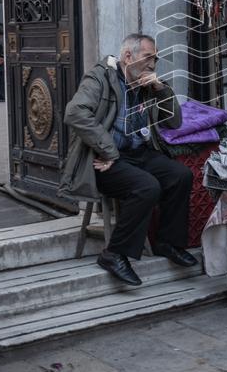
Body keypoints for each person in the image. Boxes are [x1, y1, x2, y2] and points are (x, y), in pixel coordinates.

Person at [61, 33, 195, 286]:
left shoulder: (148, 84)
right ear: (127, 57)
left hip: (138, 153)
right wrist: (109, 150)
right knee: (147, 186)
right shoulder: (100, 77)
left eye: (155, 59)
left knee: (180, 175)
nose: (153, 65)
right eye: (148, 58)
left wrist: (162, 90)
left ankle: (167, 243)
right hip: (104, 159)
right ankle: (114, 254)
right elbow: (75, 113)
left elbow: (175, 122)